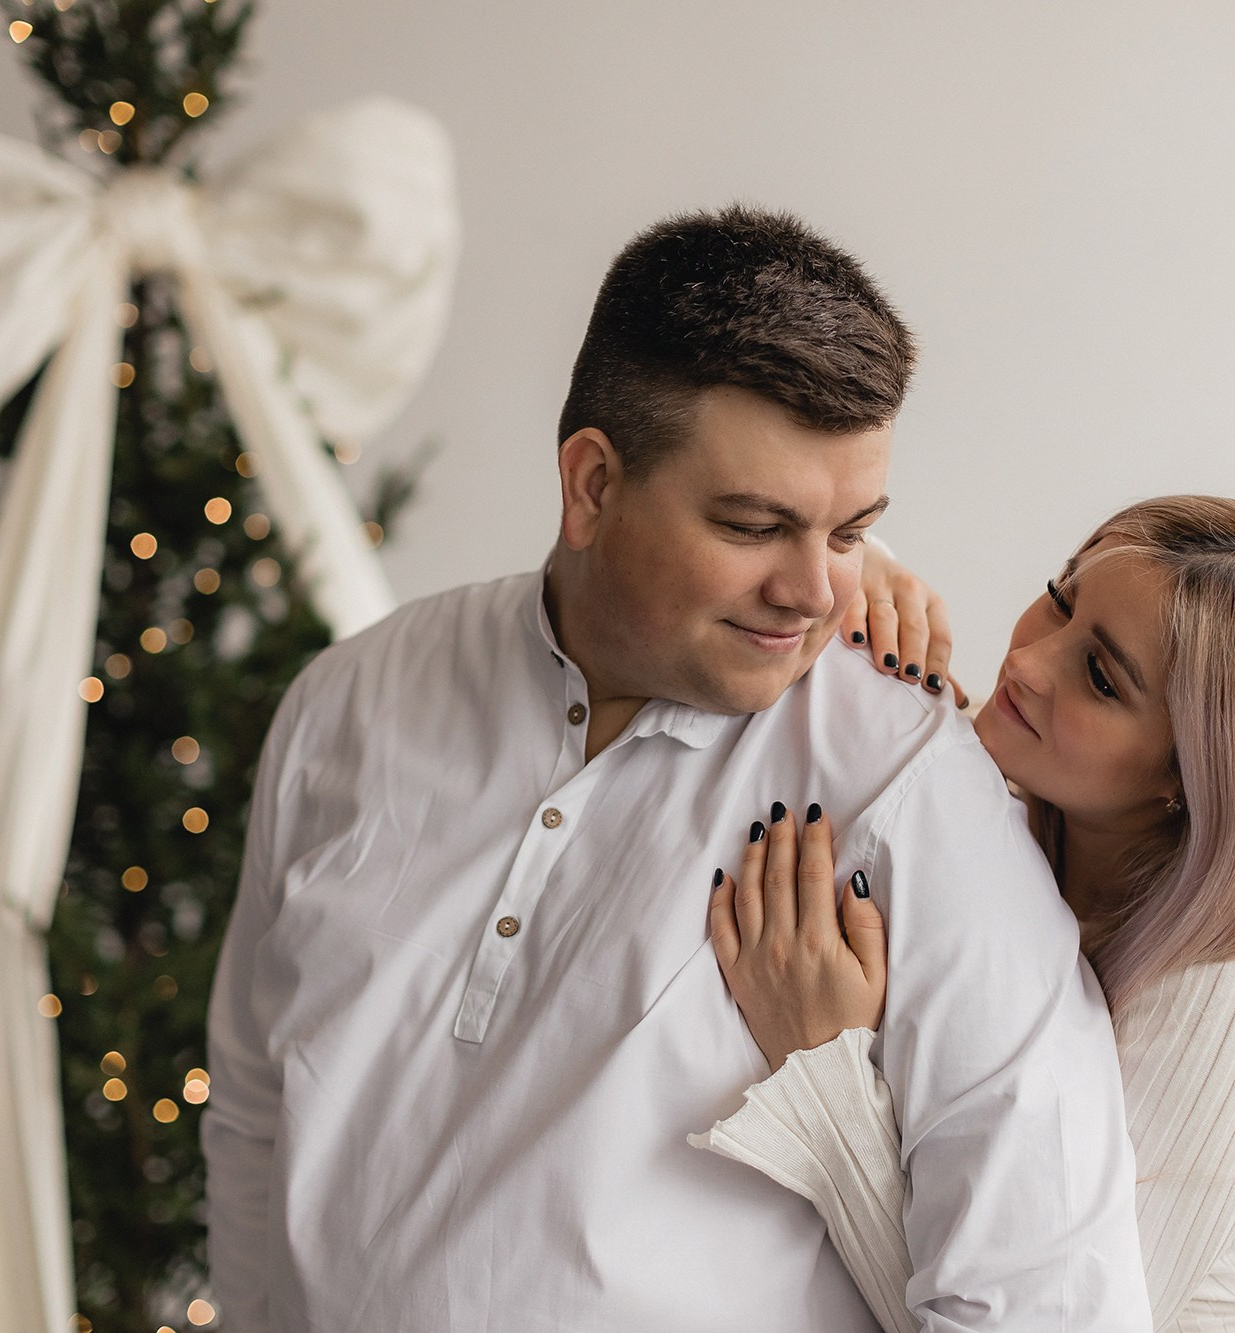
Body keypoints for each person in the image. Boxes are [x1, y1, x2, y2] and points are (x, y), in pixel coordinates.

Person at [202, 205, 1152, 1331]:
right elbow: (255, 1116)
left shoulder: (904, 784)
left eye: (849, 533)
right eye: (755, 526)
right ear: (592, 485)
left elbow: (1043, 1296)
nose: (811, 592)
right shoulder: (350, 701)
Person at [692, 496, 1235, 1331]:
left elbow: (1035, 1316)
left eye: (1100, 676)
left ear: (1194, 773)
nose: (1029, 663)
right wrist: (852, 567)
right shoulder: (1045, 814)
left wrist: (823, 1066)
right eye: (1060, 597)